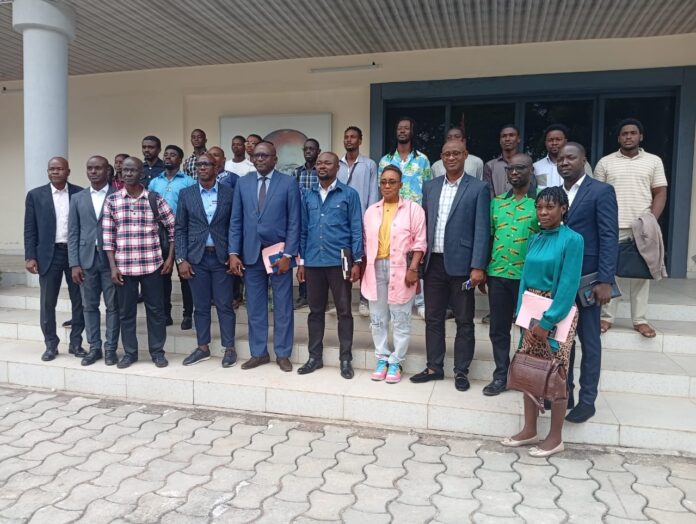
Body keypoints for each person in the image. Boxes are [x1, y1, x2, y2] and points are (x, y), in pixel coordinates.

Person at [501, 187, 583, 458]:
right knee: (529, 369)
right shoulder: (535, 238)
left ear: (563, 209)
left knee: (557, 373)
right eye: (539, 208)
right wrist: (520, 314)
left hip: (556, 315)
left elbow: (569, 285)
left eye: (550, 207)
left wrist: (547, 322)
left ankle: (556, 438)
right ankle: (529, 430)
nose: (543, 212)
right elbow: (525, 278)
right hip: (531, 314)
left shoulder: (573, 240)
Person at [410, 140, 490, 391]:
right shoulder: (430, 186)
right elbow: (423, 225)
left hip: (463, 266)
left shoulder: (478, 188)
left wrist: (478, 266)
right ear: (441, 158)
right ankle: (434, 367)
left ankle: (461, 371)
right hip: (433, 263)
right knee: (433, 318)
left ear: (466, 155)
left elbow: (482, 229)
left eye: (456, 153)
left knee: (464, 320)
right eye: (446, 154)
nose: (451, 158)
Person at [228, 141, 301, 372]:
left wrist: (289, 254)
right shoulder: (243, 183)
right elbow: (236, 220)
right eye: (257, 155)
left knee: (283, 307)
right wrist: (233, 253)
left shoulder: (288, 182)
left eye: (265, 155)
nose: (260, 159)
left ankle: (283, 353)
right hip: (250, 254)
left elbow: (294, 221)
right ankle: (259, 353)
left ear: (275, 159)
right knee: (255, 308)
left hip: (279, 256)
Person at [559, 142, 619, 423]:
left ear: (584, 160)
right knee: (563, 340)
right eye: (561, 159)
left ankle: (587, 400)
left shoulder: (601, 191)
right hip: (561, 281)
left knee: (589, 341)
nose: (565, 162)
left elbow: (609, 236)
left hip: (589, 280)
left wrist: (606, 279)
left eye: (571, 157)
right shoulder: (556, 193)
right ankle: (565, 393)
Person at [596, 118, 668, 339]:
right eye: (624, 133)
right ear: (619, 138)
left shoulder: (653, 161)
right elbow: (596, 194)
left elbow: (660, 192)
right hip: (611, 226)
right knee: (610, 272)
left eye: (633, 133)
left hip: (642, 226)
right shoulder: (605, 162)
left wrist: (651, 220)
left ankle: (640, 320)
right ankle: (606, 317)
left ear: (641, 136)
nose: (628, 136)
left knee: (641, 273)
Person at [102, 156, 175, 369]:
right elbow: (108, 238)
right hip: (124, 267)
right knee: (126, 313)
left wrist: (170, 258)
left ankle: (157, 352)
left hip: (152, 265)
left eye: (132, 170)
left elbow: (174, 228)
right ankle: (130, 353)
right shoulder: (112, 201)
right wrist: (113, 267)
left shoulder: (154, 199)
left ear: (142, 173)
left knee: (156, 311)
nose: (128, 173)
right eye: (125, 170)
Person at [297, 152, 363, 379]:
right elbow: (303, 230)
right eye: (319, 163)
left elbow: (356, 228)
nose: (322, 166)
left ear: (337, 168)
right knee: (315, 312)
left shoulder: (349, 194)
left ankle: (345, 359)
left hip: (339, 262)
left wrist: (357, 261)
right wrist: (302, 262)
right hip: (313, 262)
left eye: (327, 163)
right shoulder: (308, 195)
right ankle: (314, 357)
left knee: (344, 312)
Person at [480, 153, 539, 396]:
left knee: (529, 330)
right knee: (498, 329)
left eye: (520, 168)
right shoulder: (497, 203)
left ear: (531, 170)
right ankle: (501, 376)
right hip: (498, 274)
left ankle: (527, 376)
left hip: (529, 278)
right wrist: (482, 268)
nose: (514, 172)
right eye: (510, 169)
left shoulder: (541, 202)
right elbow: (488, 236)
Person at [362, 165, 426, 383]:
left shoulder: (413, 210)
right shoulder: (371, 211)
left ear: (400, 185)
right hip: (375, 268)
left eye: (392, 182)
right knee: (378, 318)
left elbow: (420, 243)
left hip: (402, 269)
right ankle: (382, 357)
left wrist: (413, 269)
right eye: (383, 182)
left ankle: (396, 361)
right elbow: (365, 242)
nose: (387, 186)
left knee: (401, 318)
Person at [176, 152, 238, 368]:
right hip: (196, 258)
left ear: (216, 167)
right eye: (199, 165)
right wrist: (181, 259)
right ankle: (202, 347)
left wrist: (234, 254)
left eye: (207, 164)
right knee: (200, 306)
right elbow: (180, 228)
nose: (202, 168)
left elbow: (235, 226)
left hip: (222, 258)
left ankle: (229, 348)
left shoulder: (230, 193)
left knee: (224, 305)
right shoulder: (186, 194)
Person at [24, 157, 85, 361]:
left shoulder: (79, 193)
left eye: (59, 169)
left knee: (79, 300)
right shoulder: (35, 195)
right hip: (48, 255)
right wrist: (30, 256)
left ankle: (76, 343)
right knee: (48, 302)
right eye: (51, 169)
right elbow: (30, 228)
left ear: (68, 171)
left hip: (75, 255)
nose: (55, 172)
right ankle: (51, 344)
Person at [68, 156, 120, 366]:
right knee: (89, 306)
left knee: (113, 306)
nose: (93, 172)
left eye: (98, 168)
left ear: (107, 171)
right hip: (85, 260)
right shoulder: (77, 198)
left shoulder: (118, 195)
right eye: (90, 168)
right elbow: (73, 232)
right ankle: (94, 347)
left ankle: (110, 349)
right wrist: (74, 263)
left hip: (111, 261)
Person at [379, 117, 431, 319]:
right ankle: (393, 299)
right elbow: (381, 189)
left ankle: (420, 301)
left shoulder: (422, 160)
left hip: (415, 215)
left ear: (411, 132)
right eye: (399, 128)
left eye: (406, 128)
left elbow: (428, 189)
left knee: (417, 254)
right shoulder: (385, 161)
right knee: (395, 257)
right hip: (391, 214)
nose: (402, 131)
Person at [148, 145, 196, 329]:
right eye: (166, 155)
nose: (168, 157)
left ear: (180, 159)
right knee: (163, 276)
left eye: (173, 155)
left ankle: (187, 314)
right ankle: (166, 314)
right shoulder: (155, 182)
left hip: (183, 232)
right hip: (160, 234)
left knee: (186, 276)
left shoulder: (189, 181)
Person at [338, 126, 380, 318]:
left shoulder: (369, 164)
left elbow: (373, 194)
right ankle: (342, 300)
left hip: (362, 218)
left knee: (363, 258)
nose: (349, 140)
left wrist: (370, 218)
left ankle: (364, 299)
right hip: (340, 220)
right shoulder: (337, 164)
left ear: (360, 140)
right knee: (342, 258)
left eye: (353, 137)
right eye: (346, 137)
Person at [292, 138, 321, 310]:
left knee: (317, 256)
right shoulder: (296, 173)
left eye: (312, 148)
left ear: (318, 151)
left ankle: (318, 296)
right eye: (306, 149)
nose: (308, 151)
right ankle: (303, 295)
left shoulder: (322, 171)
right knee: (302, 256)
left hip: (318, 218)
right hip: (301, 218)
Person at [533, 124, 592, 189]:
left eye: (558, 139)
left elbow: (589, 186)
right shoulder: (536, 166)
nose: (554, 143)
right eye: (550, 140)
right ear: (545, 143)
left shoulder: (581, 164)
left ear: (566, 141)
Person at [483, 125, 521, 197]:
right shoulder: (490, 166)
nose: (507, 139)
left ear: (518, 139)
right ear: (500, 141)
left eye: (511, 135)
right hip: (496, 204)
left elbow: (530, 191)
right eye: (504, 136)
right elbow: (488, 194)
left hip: (521, 204)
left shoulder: (526, 164)